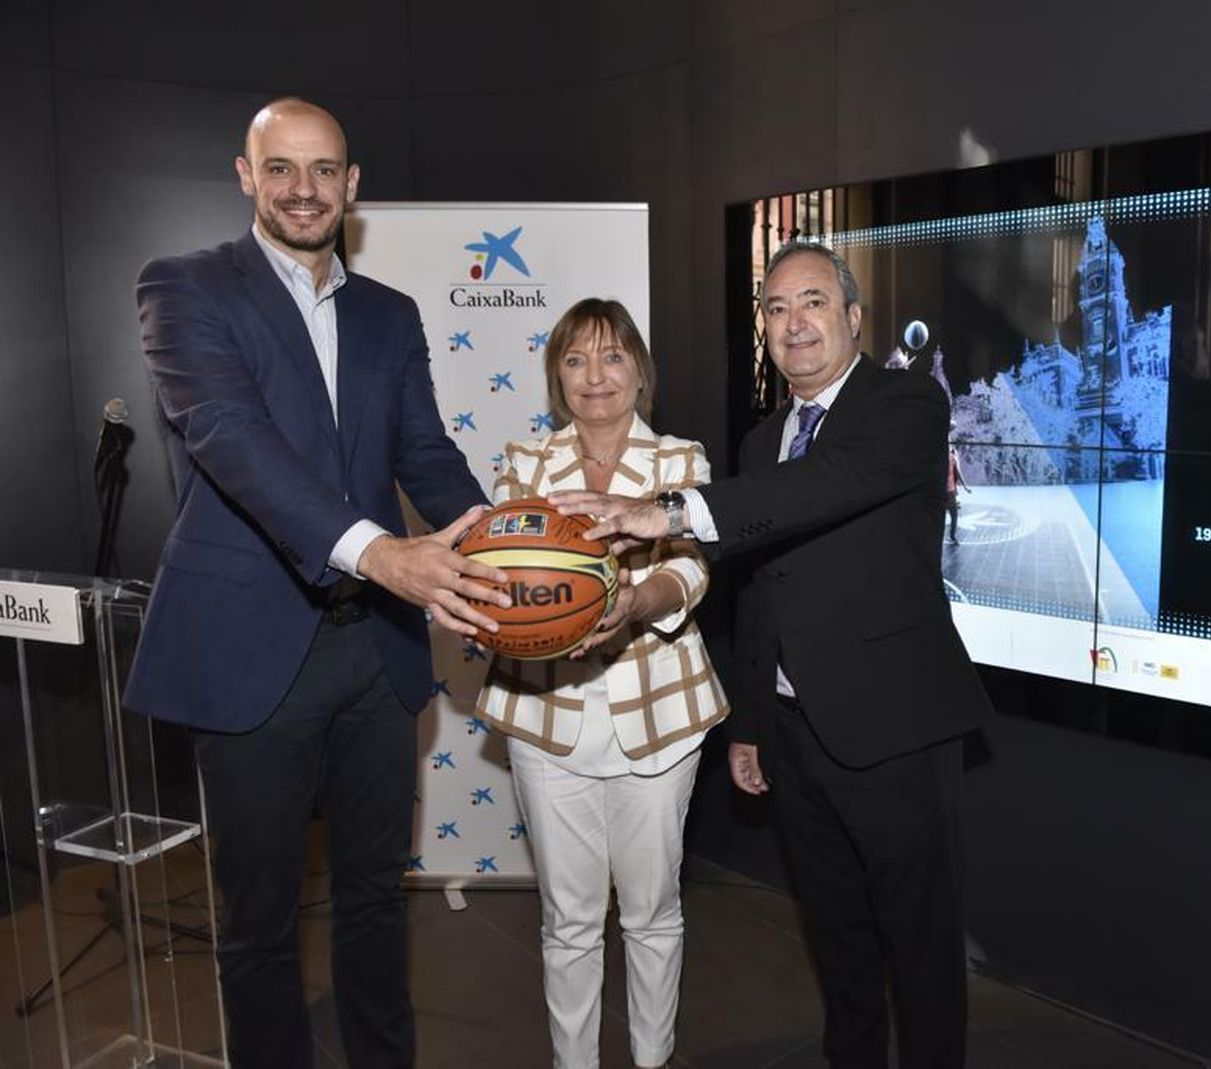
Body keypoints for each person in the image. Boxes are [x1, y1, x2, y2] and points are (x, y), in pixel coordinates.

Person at [124, 98, 510, 1069]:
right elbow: (233, 442)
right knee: (258, 920)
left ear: (354, 184)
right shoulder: (185, 289)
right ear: (246, 176)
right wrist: (383, 552)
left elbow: (425, 454)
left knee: (376, 896)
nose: (305, 188)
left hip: (374, 653)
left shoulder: (390, 314)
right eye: (282, 168)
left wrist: (504, 553)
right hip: (251, 652)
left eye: (325, 169)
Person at [552, 243, 994, 1068]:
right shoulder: (761, 442)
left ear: (854, 318)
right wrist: (751, 723)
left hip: (895, 727)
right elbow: (757, 590)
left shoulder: (904, 405)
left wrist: (668, 509)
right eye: (777, 308)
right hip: (794, 732)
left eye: (814, 302)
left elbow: (826, 486)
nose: (795, 323)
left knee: (920, 940)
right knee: (836, 934)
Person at [476, 298, 727, 1069]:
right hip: (545, 717)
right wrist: (481, 602)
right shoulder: (525, 461)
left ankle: (653, 1060)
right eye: (576, 359)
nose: (596, 376)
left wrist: (640, 602)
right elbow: (497, 565)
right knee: (570, 919)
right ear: (557, 375)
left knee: (651, 911)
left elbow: (692, 564)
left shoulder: (679, 460)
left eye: (613, 356)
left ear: (640, 370)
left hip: (659, 715)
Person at [946, 440, 970, 543]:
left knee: (954, 514)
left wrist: (965, 486)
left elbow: (958, 473)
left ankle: (952, 536)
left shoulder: (952, 457)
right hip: (941, 491)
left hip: (949, 490)